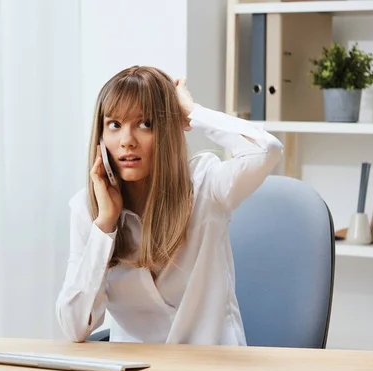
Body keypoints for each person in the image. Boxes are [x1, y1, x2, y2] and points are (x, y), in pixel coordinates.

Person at [55, 65, 283, 345]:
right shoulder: (88, 210)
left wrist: (193, 113)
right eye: (114, 125)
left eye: (145, 123)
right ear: (101, 137)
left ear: (168, 129)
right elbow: (74, 327)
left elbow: (267, 150)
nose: (127, 141)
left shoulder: (205, 186)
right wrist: (105, 227)